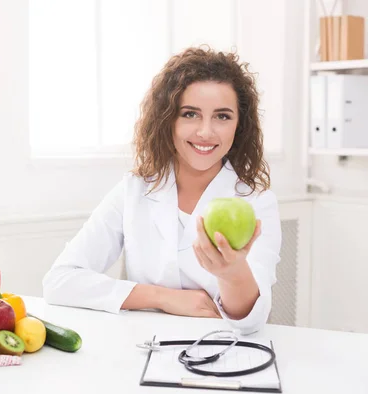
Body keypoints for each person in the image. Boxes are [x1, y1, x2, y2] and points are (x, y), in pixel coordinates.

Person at [41, 46, 282, 335]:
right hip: (143, 347)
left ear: (239, 126)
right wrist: (163, 298)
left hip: (219, 352)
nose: (206, 132)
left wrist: (232, 274)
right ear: (168, 120)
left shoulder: (257, 202)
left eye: (222, 116)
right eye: (190, 114)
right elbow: (59, 281)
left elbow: (252, 321)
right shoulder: (134, 190)